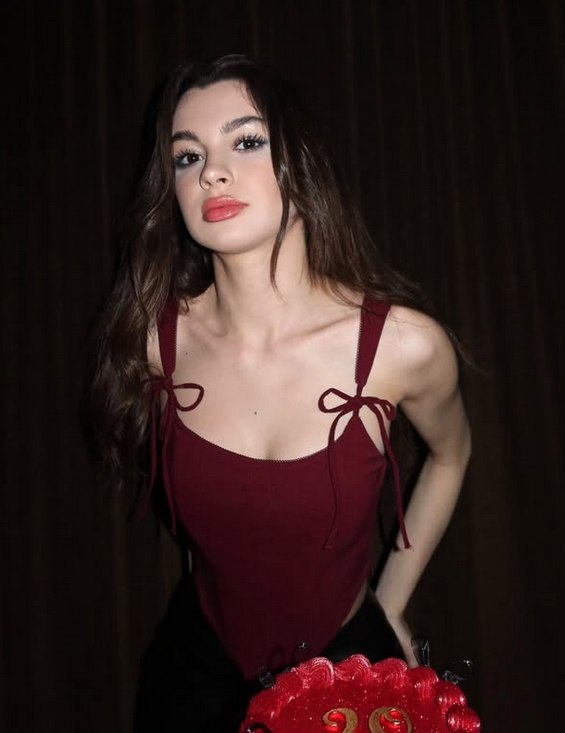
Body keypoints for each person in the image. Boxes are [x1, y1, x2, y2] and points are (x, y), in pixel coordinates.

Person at [90, 54, 471, 732]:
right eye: (187, 157)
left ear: (302, 163)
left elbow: (450, 455)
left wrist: (389, 604)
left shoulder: (400, 346)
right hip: (195, 673)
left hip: (342, 668)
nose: (211, 172)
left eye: (245, 141)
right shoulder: (153, 343)